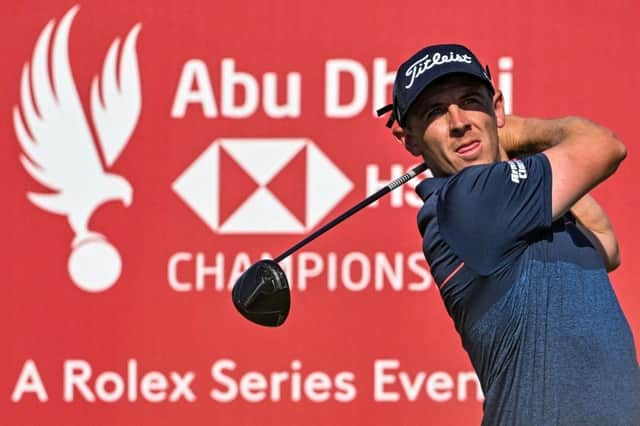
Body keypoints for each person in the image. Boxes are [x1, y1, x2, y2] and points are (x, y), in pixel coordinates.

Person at [377, 44, 640, 425]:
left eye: (470, 101)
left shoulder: (517, 202)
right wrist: (518, 131)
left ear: (494, 106)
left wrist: (507, 148)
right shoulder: (466, 203)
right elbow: (606, 145)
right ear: (410, 140)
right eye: (434, 112)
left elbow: (606, 245)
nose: (459, 121)